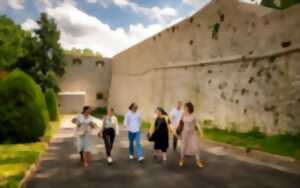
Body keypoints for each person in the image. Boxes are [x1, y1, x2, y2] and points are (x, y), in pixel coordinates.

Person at [178, 102, 204, 168]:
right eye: (184, 107)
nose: (184, 108)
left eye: (185, 107)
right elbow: (180, 122)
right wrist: (177, 130)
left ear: (189, 108)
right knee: (183, 147)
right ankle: (181, 160)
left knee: (195, 147)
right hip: (184, 134)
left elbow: (198, 124)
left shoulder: (194, 115)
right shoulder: (183, 114)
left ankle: (198, 161)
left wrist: (201, 133)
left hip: (192, 134)